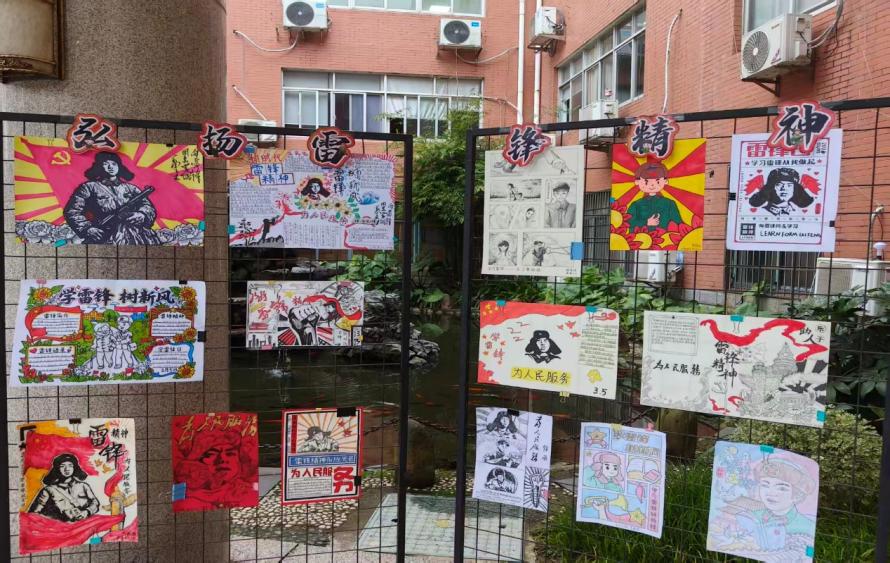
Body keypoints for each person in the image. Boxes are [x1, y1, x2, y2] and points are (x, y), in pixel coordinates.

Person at [64, 152, 160, 245]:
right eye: (106, 164)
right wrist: (87, 229)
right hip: (106, 236)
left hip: (137, 237)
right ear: (99, 166)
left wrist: (142, 215)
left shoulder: (131, 188)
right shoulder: (89, 187)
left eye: (114, 164)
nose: (111, 167)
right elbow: (73, 211)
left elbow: (147, 206)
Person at [173, 428, 256, 510]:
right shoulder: (181, 492)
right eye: (212, 454)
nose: (222, 459)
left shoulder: (247, 492)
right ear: (198, 459)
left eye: (230, 453)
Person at [749, 458, 816, 547]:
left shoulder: (806, 526)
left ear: (797, 494)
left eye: (782, 488)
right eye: (765, 485)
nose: (770, 493)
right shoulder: (751, 517)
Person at [28, 454, 100, 522]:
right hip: (59, 527)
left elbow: (95, 502)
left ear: (74, 468)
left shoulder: (83, 486)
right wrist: (56, 518)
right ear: (57, 469)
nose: (67, 469)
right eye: (62, 466)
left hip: (84, 525)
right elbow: (34, 514)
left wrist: (87, 512)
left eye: (70, 465)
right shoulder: (49, 490)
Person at [626, 162, 682, 232]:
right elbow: (628, 223)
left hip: (665, 236)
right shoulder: (636, 205)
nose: (652, 185)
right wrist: (646, 222)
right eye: (646, 181)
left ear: (665, 181)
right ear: (637, 182)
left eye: (657, 181)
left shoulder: (669, 204)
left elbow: (679, 224)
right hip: (642, 237)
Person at [749, 168, 814, 216]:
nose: (784, 188)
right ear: (771, 188)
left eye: (789, 185)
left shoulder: (795, 211)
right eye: (779, 184)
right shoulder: (762, 211)